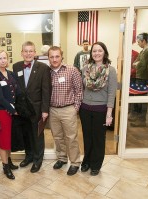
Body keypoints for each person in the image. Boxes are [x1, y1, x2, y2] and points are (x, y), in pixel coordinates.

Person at [79, 41, 117, 176]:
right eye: (94, 51)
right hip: (85, 109)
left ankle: (96, 164)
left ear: (104, 52)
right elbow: (81, 89)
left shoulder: (111, 70)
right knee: (87, 137)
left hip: (101, 110)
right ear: (91, 53)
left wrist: (109, 114)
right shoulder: (85, 69)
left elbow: (112, 93)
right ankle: (86, 161)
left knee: (98, 139)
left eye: (99, 51)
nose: (97, 53)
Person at [12, 41, 51, 173]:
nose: (28, 54)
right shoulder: (16, 66)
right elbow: (16, 88)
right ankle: (28, 156)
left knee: (37, 136)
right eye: (26, 51)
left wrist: (45, 110)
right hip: (22, 109)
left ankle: (37, 160)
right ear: (21, 53)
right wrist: (15, 108)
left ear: (35, 53)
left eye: (31, 51)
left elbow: (46, 90)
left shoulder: (43, 68)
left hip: (37, 108)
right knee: (26, 135)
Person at [48, 46, 83, 176]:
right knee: (57, 137)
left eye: (57, 56)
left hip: (69, 109)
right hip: (52, 110)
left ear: (62, 56)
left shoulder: (72, 70)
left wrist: (75, 109)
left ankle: (75, 162)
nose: (54, 59)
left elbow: (79, 90)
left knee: (71, 137)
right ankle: (62, 158)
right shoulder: (46, 72)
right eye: (52, 57)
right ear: (48, 58)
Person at [0, 49, 19, 180]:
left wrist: (16, 107)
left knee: (10, 138)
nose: (3, 61)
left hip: (12, 110)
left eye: (5, 58)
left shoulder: (11, 74)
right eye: (0, 58)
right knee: (3, 140)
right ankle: (5, 166)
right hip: (2, 111)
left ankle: (9, 161)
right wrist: (12, 109)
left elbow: (16, 93)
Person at [129, 33, 148, 127]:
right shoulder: (143, 51)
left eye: (139, 42)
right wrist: (136, 64)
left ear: (144, 41)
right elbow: (135, 62)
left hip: (144, 77)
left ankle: (141, 120)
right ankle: (137, 116)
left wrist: (136, 64)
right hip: (140, 77)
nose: (138, 43)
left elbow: (141, 64)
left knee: (141, 99)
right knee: (137, 98)